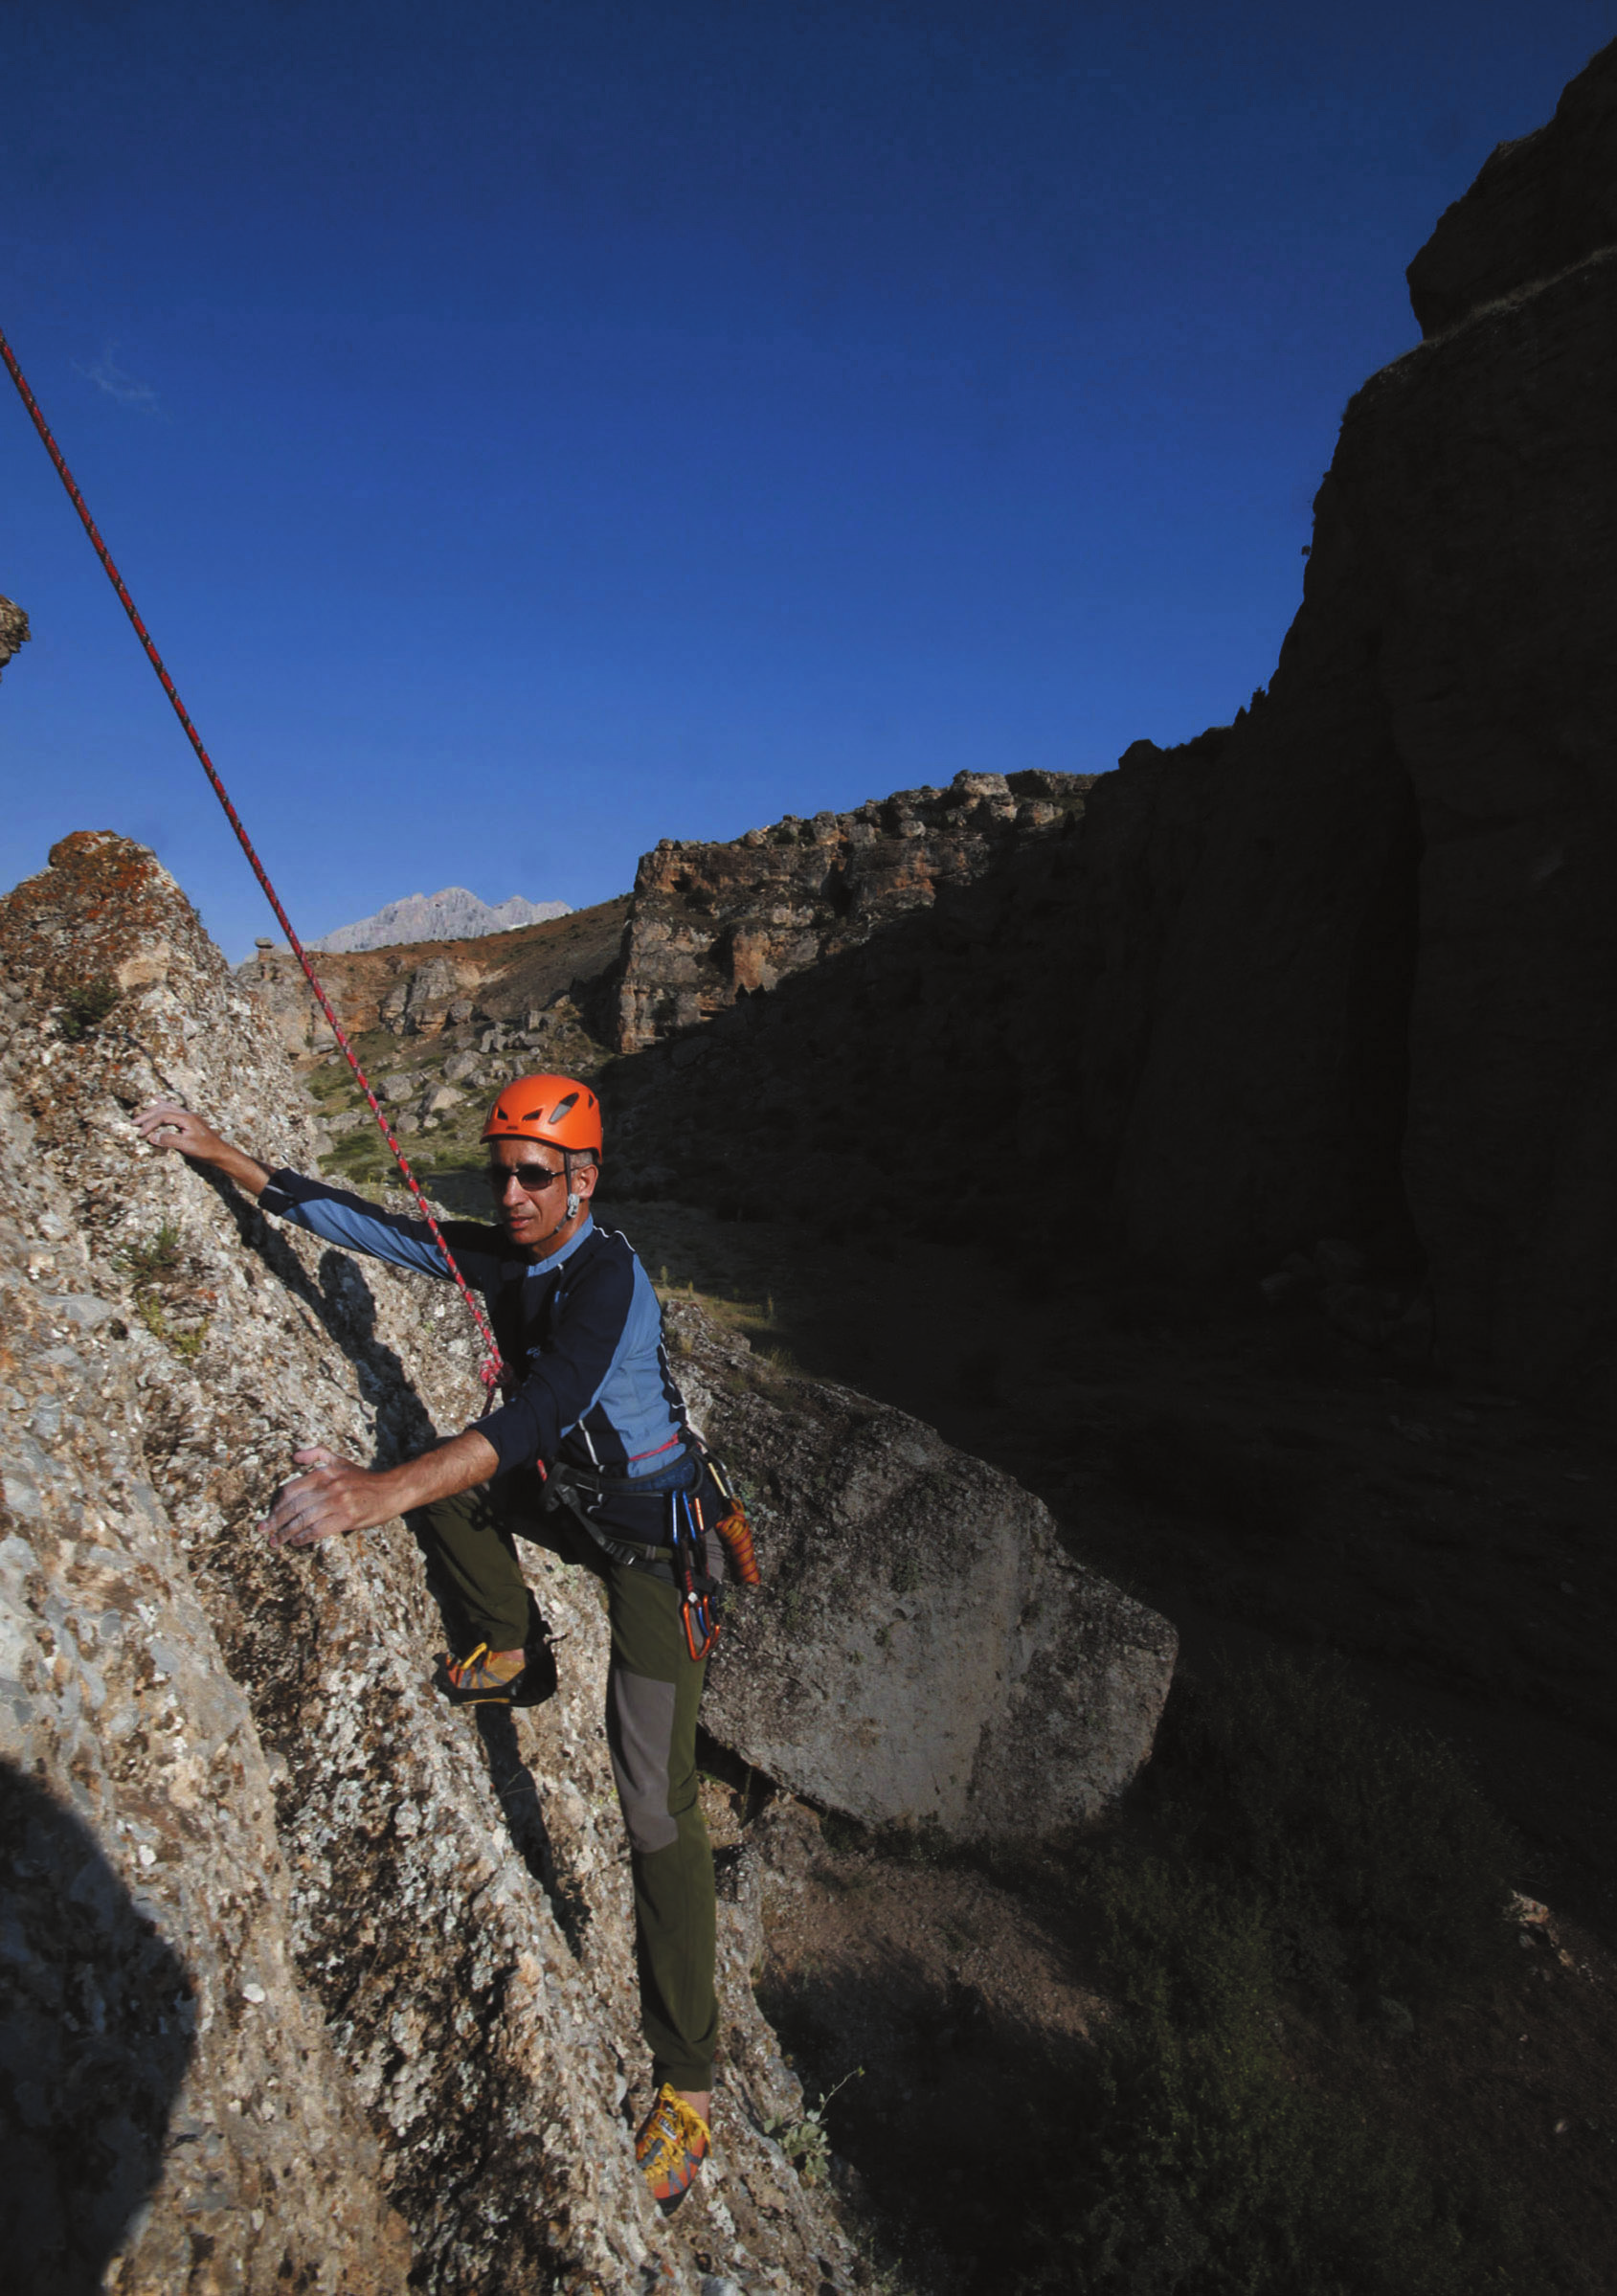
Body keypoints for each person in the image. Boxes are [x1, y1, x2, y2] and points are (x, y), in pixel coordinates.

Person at [135, 1073, 720, 2215]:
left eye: (534, 1174)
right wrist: (219, 1150)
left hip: (653, 1545)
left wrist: (372, 1493)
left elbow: (534, 1418)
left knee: (655, 1802)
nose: (507, 1192)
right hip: (574, 1498)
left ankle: (687, 2084)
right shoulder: (506, 1251)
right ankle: (516, 1646)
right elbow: (367, 1225)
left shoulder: (608, 1281)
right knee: (447, 1479)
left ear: (584, 1181)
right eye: (496, 1170)